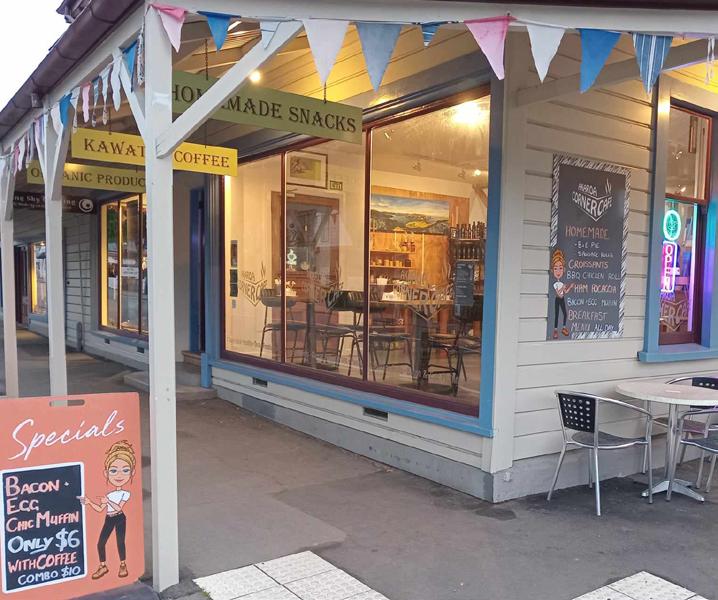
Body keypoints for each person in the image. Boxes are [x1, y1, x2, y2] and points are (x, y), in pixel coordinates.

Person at [78, 440, 136, 580]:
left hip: (120, 517)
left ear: (132, 472)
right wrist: (89, 502)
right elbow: (100, 509)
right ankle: (103, 565)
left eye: (125, 470)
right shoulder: (109, 494)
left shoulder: (125, 493)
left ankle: (123, 564)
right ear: (106, 473)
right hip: (109, 518)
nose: (119, 475)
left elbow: (119, 507)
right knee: (101, 542)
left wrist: (108, 501)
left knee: (120, 541)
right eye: (113, 471)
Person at [551, 249, 573, 339]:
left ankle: (564, 328)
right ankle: (555, 330)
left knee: (565, 314)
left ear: (563, 269)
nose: (558, 271)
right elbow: (558, 293)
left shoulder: (562, 283)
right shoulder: (555, 284)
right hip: (558, 299)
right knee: (557, 314)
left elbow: (565, 292)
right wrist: (562, 288)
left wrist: (569, 287)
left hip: (562, 299)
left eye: (560, 268)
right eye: (555, 268)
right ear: (552, 270)